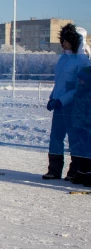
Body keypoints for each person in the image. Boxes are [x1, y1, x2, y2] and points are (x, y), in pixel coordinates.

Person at [42, 23, 91, 180]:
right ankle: (54, 169)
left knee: (74, 139)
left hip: (72, 107)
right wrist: (52, 97)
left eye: (66, 40)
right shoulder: (63, 59)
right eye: (62, 39)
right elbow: (60, 83)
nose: (63, 43)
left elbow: (78, 88)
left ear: (74, 40)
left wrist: (62, 101)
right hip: (58, 105)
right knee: (56, 137)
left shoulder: (82, 61)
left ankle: (75, 170)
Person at [69, 66, 91, 185]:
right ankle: (80, 175)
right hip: (79, 126)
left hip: (87, 127)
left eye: (82, 79)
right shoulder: (79, 91)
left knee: (88, 154)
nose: (80, 81)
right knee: (81, 153)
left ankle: (88, 176)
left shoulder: (88, 93)